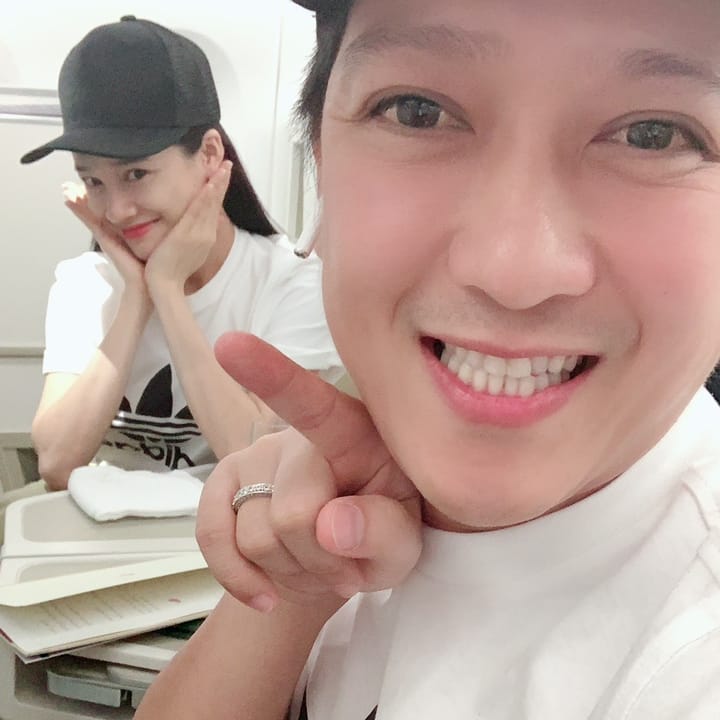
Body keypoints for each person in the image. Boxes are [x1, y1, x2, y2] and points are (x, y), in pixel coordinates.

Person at [136, 0, 720, 718]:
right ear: (320, 160)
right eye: (417, 112)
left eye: (654, 136)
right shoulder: (356, 478)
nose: (512, 269)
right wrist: (298, 585)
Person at [21, 16, 341, 491]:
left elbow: (256, 460)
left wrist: (168, 292)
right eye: (93, 181)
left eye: (136, 174)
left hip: (226, 523)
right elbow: (56, 462)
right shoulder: (87, 284)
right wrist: (137, 298)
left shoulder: (292, 283)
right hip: (99, 525)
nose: (116, 210)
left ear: (209, 154)